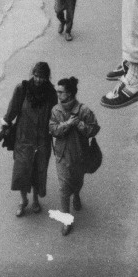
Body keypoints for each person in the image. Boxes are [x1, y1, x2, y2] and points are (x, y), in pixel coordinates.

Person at [0, 62, 58, 217]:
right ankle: (23, 200)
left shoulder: (51, 94)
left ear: (47, 78)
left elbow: (54, 116)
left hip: (42, 140)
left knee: (39, 171)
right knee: (22, 171)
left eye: (42, 77)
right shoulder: (22, 89)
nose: (38, 80)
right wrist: (6, 124)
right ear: (33, 74)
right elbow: (12, 109)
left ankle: (35, 199)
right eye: (36, 76)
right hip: (24, 139)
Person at [49, 76, 100, 236]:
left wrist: (79, 123)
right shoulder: (56, 110)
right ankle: (66, 220)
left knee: (77, 182)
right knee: (64, 188)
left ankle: (76, 195)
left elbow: (94, 130)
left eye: (60, 92)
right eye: (57, 91)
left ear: (69, 94)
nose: (57, 94)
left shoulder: (84, 111)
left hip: (79, 154)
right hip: (62, 155)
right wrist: (67, 124)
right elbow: (52, 130)